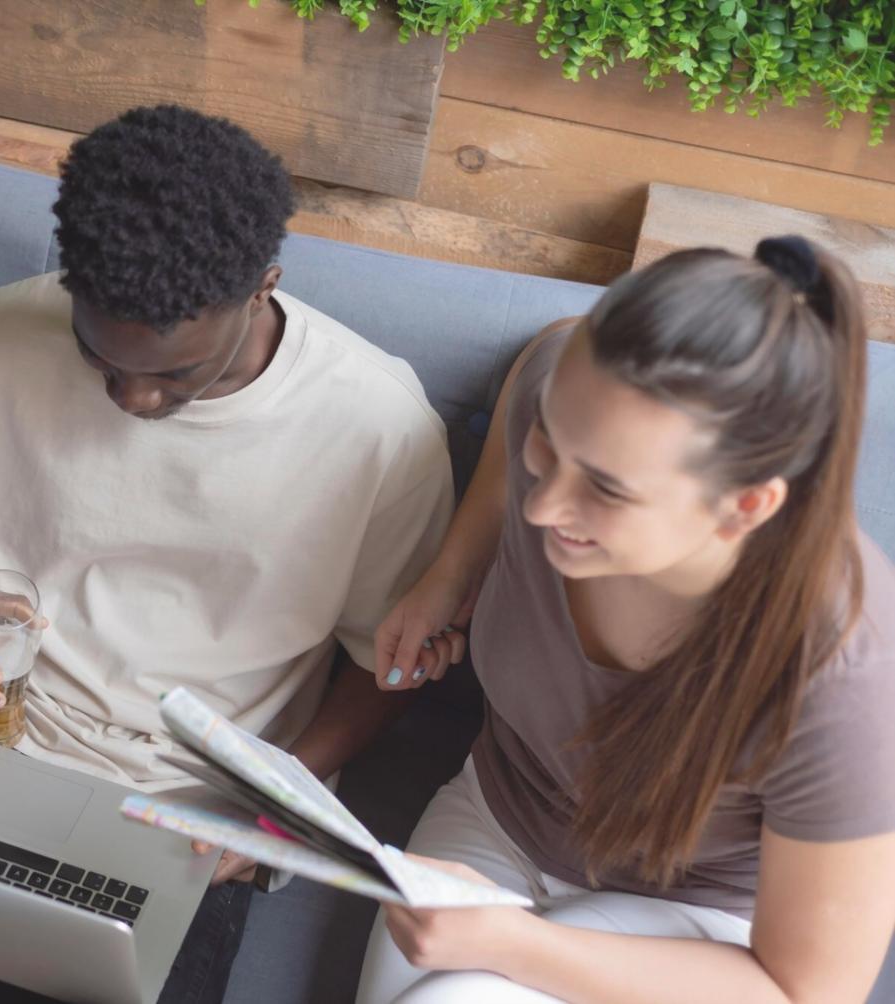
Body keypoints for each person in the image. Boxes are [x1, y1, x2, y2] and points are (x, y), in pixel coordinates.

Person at [0, 103, 453, 1001]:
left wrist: (276, 806)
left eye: (175, 374)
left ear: (263, 284)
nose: (133, 401)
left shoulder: (379, 429)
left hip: (194, 805)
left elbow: (385, 663)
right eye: (100, 359)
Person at [356, 238, 895, 1003]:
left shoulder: (848, 676)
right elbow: (544, 358)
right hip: (499, 818)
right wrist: (451, 572)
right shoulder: (566, 406)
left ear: (745, 505)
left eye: (605, 490)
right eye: (550, 443)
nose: (542, 509)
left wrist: (518, 946)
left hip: (695, 918)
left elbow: (807, 991)